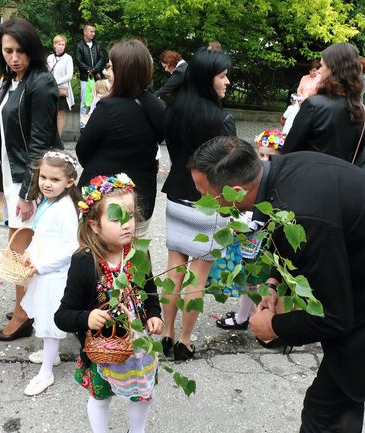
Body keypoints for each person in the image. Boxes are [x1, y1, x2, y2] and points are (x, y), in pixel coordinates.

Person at [189, 136, 365, 433]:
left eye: (204, 194)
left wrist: (275, 327)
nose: (202, 202)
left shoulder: (305, 214)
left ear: (236, 192)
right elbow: (290, 234)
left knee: (326, 410)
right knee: (337, 400)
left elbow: (335, 316)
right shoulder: (282, 172)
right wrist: (274, 280)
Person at [55, 174, 163, 433]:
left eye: (130, 215)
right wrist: (86, 318)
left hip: (139, 347)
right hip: (103, 352)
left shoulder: (139, 252)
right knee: (100, 397)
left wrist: (154, 315)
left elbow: (149, 291)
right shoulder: (84, 263)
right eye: (116, 218)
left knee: (142, 395)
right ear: (94, 224)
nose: (127, 224)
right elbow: (63, 315)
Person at [161, 48, 234, 361]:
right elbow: (232, 171)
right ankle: (186, 341)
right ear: (207, 79)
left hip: (176, 197)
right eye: (222, 76)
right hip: (209, 204)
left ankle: (166, 332)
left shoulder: (174, 110)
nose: (227, 81)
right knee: (197, 278)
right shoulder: (222, 120)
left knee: (174, 271)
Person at [0, 17, 61, 342]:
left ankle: (23, 316)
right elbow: (4, 137)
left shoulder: (41, 82)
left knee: (21, 251)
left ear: (32, 49)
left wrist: (27, 191)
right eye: (8, 50)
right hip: (10, 175)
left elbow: (40, 142)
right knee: (19, 248)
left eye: (21, 50)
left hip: (32, 180)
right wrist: (1, 182)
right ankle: (28, 305)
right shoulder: (9, 80)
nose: (14, 57)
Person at [76, 39, 165, 238]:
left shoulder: (108, 108)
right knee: (134, 253)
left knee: (98, 257)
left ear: (125, 72)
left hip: (104, 200)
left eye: (112, 67)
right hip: (140, 199)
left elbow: (83, 151)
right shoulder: (158, 107)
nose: (107, 72)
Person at [19, 151, 80, 396]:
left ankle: (46, 373)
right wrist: (30, 252)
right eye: (43, 177)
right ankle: (49, 355)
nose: (46, 183)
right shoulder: (47, 201)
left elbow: (71, 247)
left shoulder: (65, 208)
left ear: (70, 182)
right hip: (43, 269)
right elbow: (41, 234)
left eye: (54, 180)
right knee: (43, 317)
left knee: (49, 321)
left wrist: (42, 265)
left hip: (55, 274)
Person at [282, 43, 365, 163]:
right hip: (340, 178)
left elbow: (289, 151)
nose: (319, 71)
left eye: (322, 66)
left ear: (333, 69)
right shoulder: (364, 113)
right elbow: (356, 154)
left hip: (308, 174)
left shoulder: (313, 105)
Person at [75, 24, 107, 128]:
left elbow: (102, 58)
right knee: (85, 102)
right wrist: (91, 71)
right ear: (85, 32)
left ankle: (97, 125)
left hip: (98, 78)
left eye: (94, 31)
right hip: (86, 79)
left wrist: (93, 70)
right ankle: (83, 126)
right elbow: (79, 61)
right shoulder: (79, 46)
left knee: (98, 100)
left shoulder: (98, 45)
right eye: (91, 31)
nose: (93, 33)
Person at [47, 35, 75, 137]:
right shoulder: (50, 58)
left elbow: (69, 75)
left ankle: (58, 139)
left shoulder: (68, 58)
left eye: (63, 45)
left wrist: (56, 81)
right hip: (49, 89)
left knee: (60, 115)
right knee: (50, 114)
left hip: (61, 89)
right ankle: (49, 137)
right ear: (54, 45)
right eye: (59, 44)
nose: (61, 46)